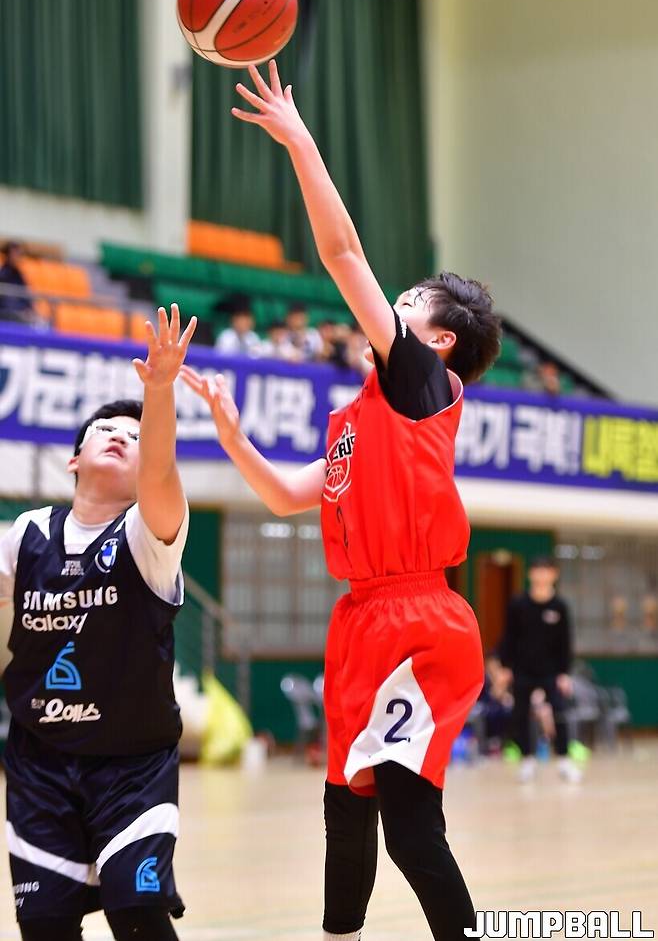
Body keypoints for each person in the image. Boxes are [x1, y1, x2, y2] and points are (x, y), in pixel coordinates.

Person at [181, 60, 501, 941]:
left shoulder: (422, 382)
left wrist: (299, 140)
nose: (389, 306)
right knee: (343, 808)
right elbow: (290, 496)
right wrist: (234, 436)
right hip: (362, 619)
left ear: (440, 339)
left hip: (421, 619)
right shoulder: (359, 416)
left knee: (407, 822)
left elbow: (343, 254)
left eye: (409, 303)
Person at [0, 306, 196, 941]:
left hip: (131, 765)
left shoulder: (147, 536)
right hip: (39, 761)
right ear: (73, 460)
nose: (119, 436)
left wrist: (159, 391)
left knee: (137, 917)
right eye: (104, 430)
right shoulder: (28, 534)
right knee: (45, 928)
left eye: (135, 436)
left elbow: (161, 470)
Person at [498, 555, 580, 783]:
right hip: (523, 670)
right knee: (520, 714)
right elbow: (509, 637)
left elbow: (565, 642)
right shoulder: (518, 604)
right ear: (530, 574)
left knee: (559, 712)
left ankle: (564, 760)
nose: (542, 575)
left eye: (546, 570)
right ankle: (527, 760)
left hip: (551, 671)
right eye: (537, 570)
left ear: (554, 574)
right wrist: (506, 667)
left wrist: (564, 673)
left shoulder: (560, 606)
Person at [0, 240, 35, 324]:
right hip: (8, 313)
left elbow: (25, 295)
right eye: (16, 253)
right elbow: (6, 301)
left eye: (19, 254)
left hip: (20, 312)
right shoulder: (3, 275)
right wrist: (21, 311)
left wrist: (29, 308)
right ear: (8, 255)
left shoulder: (19, 275)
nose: (18, 257)